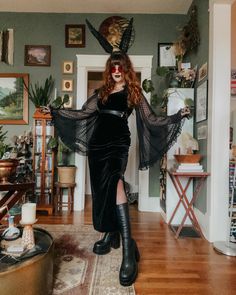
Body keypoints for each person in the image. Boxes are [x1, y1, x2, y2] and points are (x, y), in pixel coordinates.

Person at [51, 18, 190, 287]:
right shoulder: (100, 92)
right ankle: (109, 233)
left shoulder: (133, 92)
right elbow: (82, 114)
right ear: (109, 69)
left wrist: (176, 116)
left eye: (120, 66)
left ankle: (128, 249)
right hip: (96, 146)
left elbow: (152, 119)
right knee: (102, 191)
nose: (116, 70)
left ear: (125, 68)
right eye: (112, 66)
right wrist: (56, 112)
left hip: (118, 144)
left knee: (115, 185)